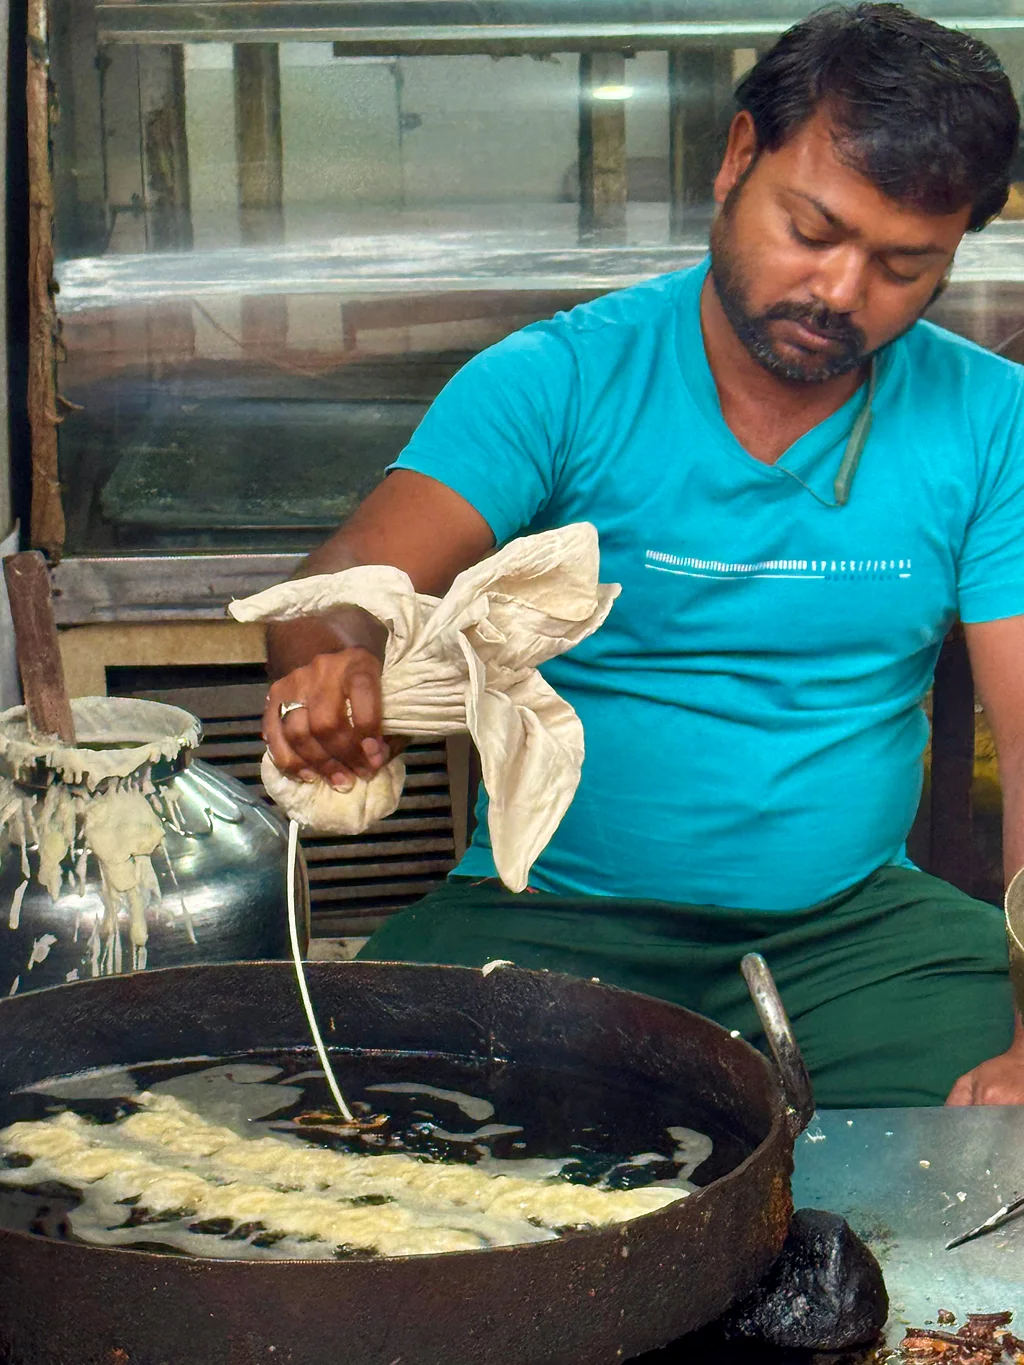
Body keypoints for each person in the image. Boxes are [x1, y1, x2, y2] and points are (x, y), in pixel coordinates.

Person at [263, 3, 1024, 1109]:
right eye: (812, 231)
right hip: (547, 924)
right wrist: (332, 660)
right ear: (738, 158)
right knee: (356, 1106)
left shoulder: (990, 420)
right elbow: (344, 586)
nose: (840, 293)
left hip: (856, 941)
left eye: (903, 266)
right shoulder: (561, 379)